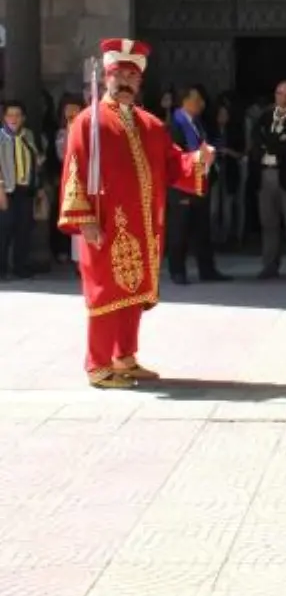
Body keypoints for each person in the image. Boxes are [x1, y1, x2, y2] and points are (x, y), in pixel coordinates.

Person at [57, 38, 214, 387]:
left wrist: (198, 160)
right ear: (107, 77)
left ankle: (124, 356)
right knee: (104, 294)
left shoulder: (151, 125)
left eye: (132, 76)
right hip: (106, 225)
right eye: (119, 75)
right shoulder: (88, 122)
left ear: (140, 81)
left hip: (144, 226)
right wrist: (86, 222)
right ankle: (98, 365)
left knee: (132, 294)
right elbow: (74, 172)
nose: (125, 82)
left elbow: (174, 164)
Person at [167, 86, 225, 284]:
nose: (201, 104)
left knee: (202, 227)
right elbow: (174, 153)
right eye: (197, 99)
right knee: (180, 228)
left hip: (200, 180)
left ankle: (207, 269)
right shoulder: (174, 123)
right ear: (184, 101)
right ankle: (177, 270)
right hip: (181, 183)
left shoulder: (198, 123)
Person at [252, 80, 286, 280]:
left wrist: (272, 143)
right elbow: (256, 141)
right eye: (280, 94)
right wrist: (275, 141)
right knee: (269, 223)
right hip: (265, 174)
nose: (284, 99)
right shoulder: (265, 117)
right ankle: (269, 266)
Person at [0, 98, 43, 280]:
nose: (14, 118)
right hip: (5, 190)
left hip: (25, 189)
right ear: (4, 118)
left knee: (23, 229)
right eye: (10, 115)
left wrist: (38, 186)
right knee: (4, 229)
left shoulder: (29, 136)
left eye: (17, 115)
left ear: (23, 118)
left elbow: (37, 161)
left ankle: (20, 266)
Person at [48, 94, 83, 266]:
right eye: (68, 109)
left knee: (81, 218)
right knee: (63, 215)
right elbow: (61, 155)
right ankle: (61, 250)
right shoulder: (60, 132)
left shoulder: (89, 130)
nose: (72, 112)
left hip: (83, 180)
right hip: (64, 178)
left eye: (76, 108)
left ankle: (79, 259)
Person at [209, 96, 245, 248]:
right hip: (214, 171)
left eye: (225, 114)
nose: (222, 117)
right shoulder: (211, 132)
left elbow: (241, 153)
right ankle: (213, 238)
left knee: (228, 207)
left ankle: (226, 238)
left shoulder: (235, 132)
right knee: (214, 207)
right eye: (220, 114)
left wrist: (227, 151)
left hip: (229, 170)